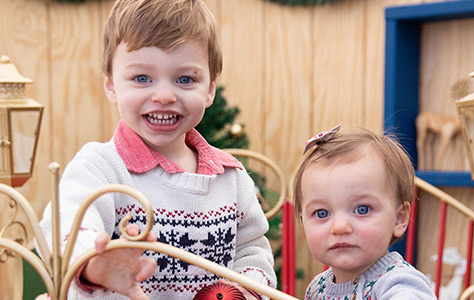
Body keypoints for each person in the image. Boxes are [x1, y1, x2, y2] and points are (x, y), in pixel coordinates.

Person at [39, 0, 276, 299]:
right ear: (112, 87)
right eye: (142, 78)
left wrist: (247, 288)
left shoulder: (231, 178)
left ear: (210, 90)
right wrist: (93, 264)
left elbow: (252, 249)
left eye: (185, 79)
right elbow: (65, 228)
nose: (164, 95)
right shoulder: (99, 168)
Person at [293, 125, 437, 300]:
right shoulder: (316, 289)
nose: (340, 227)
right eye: (322, 213)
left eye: (362, 210)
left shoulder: (398, 283)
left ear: (399, 218)